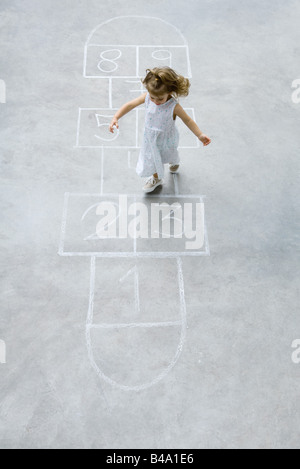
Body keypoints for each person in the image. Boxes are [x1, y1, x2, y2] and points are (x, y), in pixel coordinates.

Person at [109, 67, 211, 193]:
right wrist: (116, 116)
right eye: (153, 97)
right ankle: (156, 179)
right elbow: (131, 104)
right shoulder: (146, 97)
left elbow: (188, 120)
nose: (156, 101)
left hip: (167, 137)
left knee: (170, 153)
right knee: (153, 158)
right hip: (151, 139)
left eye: (160, 99)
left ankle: (174, 162)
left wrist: (199, 135)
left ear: (169, 92)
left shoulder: (174, 106)